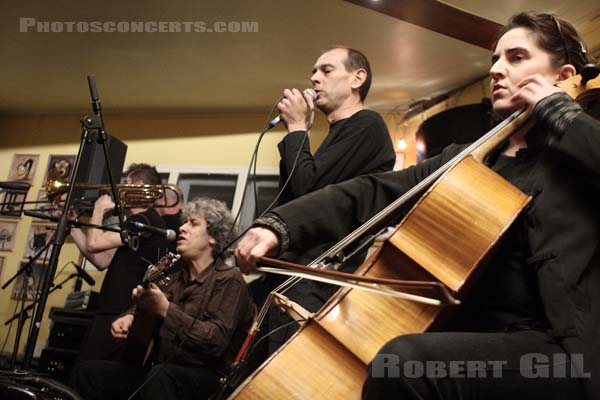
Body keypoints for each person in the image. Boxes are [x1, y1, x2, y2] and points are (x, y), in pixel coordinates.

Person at [236, 12, 599, 400]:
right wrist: (280, 224)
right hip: (476, 335)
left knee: (405, 364)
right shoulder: (473, 158)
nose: (496, 70)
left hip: (562, 353)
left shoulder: (577, 149)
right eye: (495, 59)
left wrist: (561, 112)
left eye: (516, 58)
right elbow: (374, 190)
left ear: (562, 77)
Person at [260, 46, 396, 353]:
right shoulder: (336, 137)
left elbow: (310, 190)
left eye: (326, 70)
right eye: (313, 71)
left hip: (317, 276)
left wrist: (296, 129)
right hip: (295, 273)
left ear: (357, 78)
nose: (314, 78)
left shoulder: (368, 124)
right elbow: (290, 202)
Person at [70, 197, 254, 400]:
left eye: (193, 223)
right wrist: (129, 316)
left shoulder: (229, 279)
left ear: (214, 237)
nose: (182, 228)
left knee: (160, 376)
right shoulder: (174, 278)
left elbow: (215, 340)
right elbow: (150, 304)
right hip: (162, 372)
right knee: (87, 373)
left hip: (205, 378)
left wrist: (166, 310)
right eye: (184, 222)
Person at [70, 163, 171, 361]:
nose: (120, 189)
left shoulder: (144, 221)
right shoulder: (137, 222)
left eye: (126, 183)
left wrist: (99, 209)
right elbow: (101, 259)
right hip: (111, 310)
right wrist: (72, 225)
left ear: (138, 186)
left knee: (89, 373)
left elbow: (94, 243)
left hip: (121, 312)